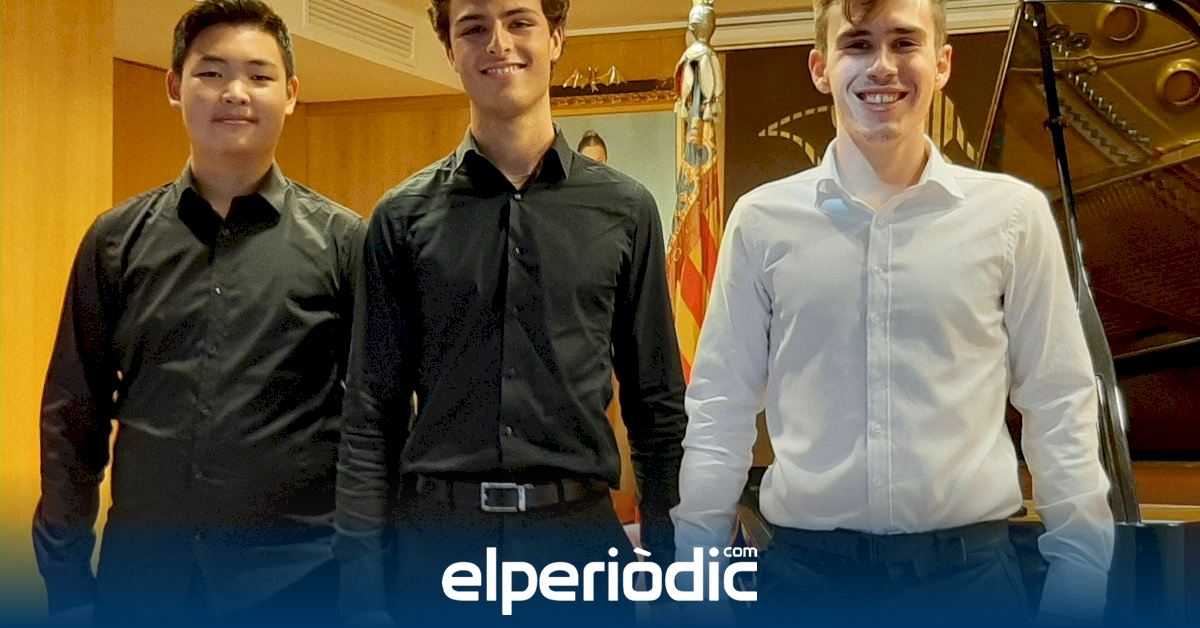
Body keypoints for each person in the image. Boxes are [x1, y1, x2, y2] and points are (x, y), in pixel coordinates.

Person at [672, 0, 1114, 624]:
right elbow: (722, 407)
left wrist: (1079, 592)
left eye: (904, 42)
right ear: (821, 67)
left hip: (971, 587)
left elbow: (1060, 401)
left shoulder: (1014, 217)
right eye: (857, 44)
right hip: (805, 584)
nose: (882, 65)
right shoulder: (760, 222)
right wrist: (696, 583)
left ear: (943, 63)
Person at [334, 0, 686, 624]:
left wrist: (671, 570)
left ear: (557, 37)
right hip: (436, 554)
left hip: (579, 552)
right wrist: (361, 589)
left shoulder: (627, 211)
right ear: (450, 49)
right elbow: (371, 417)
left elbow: (656, 405)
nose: (498, 42)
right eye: (473, 27)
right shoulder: (400, 218)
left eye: (519, 21)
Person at [34, 1, 365, 625]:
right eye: (211, 73)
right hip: (142, 583)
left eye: (259, 76)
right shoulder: (115, 241)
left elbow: (377, 423)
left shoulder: (345, 243)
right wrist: (67, 584)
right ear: (174, 86)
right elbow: (72, 420)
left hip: (298, 581)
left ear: (291, 94)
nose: (235, 92)